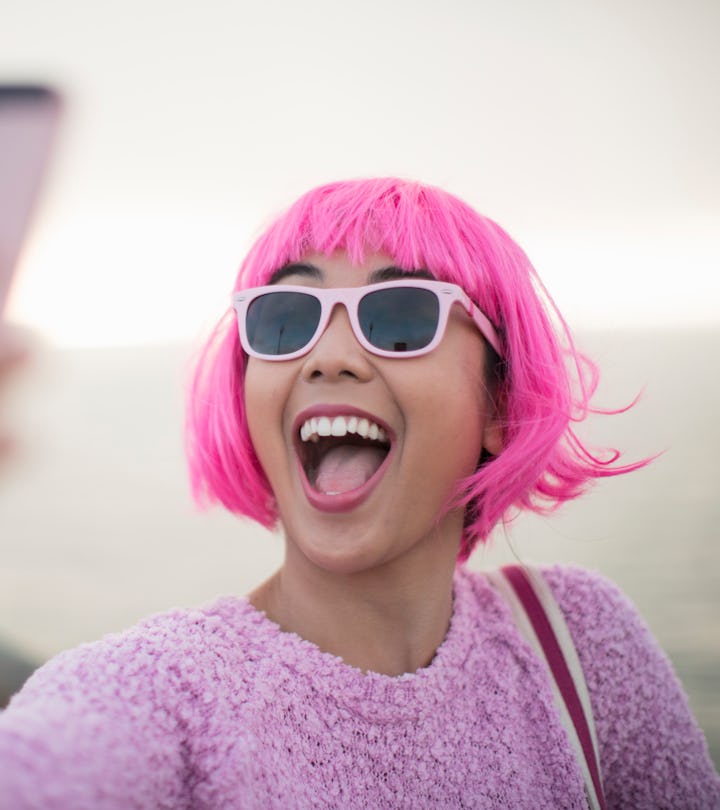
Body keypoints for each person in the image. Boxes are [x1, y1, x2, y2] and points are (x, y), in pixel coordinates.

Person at [0, 178, 717, 808]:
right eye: (285, 320)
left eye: (399, 318)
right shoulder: (159, 692)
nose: (331, 357)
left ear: (499, 404)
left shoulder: (579, 641)